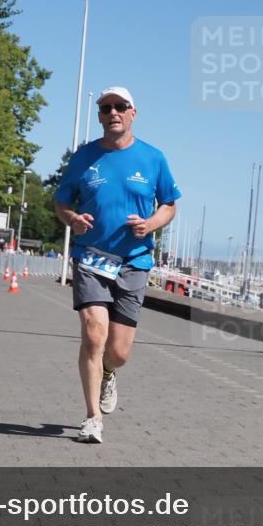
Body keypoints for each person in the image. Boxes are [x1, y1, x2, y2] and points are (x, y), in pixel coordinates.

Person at [54, 87, 180, 443]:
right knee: (94, 332)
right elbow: (61, 202)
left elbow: (169, 204)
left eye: (120, 107)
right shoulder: (84, 157)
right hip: (91, 257)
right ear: (99, 115)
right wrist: (73, 219)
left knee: (119, 351)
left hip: (134, 262)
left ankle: (109, 371)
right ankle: (92, 417)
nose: (113, 113)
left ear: (133, 113)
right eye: (106, 107)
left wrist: (151, 224)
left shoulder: (153, 158)